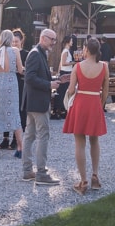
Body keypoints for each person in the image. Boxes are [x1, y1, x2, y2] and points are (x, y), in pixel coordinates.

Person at [63, 36, 108, 194]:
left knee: (79, 142)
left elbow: (70, 90)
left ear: (87, 50)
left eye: (83, 48)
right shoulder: (104, 66)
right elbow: (106, 91)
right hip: (95, 102)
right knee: (94, 141)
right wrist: (99, 106)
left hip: (81, 103)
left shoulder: (78, 66)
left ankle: (83, 182)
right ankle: (95, 175)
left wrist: (69, 98)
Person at [22, 28, 60, 185]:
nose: (53, 43)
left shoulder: (39, 53)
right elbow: (29, 78)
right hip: (37, 103)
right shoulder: (35, 54)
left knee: (29, 136)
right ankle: (41, 173)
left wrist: (56, 79)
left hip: (34, 102)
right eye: (52, 39)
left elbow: (36, 76)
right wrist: (49, 84)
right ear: (43, 38)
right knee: (42, 136)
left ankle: (27, 171)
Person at [0, 29, 24, 159]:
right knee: (14, 114)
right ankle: (20, 148)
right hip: (11, 84)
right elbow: (20, 70)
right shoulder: (15, 51)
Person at [52, 34, 78, 119]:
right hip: (65, 72)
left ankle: (63, 109)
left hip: (66, 71)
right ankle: (60, 110)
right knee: (63, 92)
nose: (72, 42)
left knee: (65, 91)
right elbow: (63, 63)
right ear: (68, 42)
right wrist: (73, 63)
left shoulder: (67, 51)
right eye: (71, 41)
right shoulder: (66, 51)